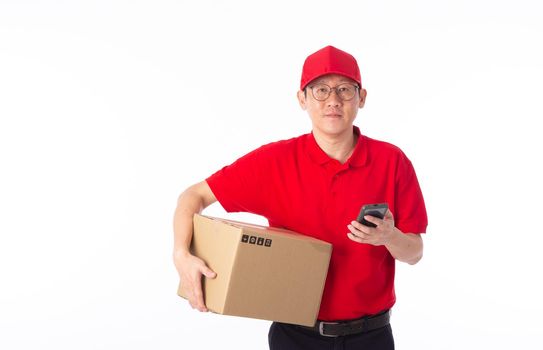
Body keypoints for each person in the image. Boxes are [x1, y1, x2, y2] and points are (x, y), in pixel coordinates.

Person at [173, 45, 428, 350]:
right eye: (320, 90)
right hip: (294, 336)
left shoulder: (392, 161)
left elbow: (414, 253)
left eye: (345, 90)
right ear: (302, 99)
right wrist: (181, 255)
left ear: (361, 98)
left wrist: (389, 236)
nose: (333, 100)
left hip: (371, 336)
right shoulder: (274, 162)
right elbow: (193, 196)